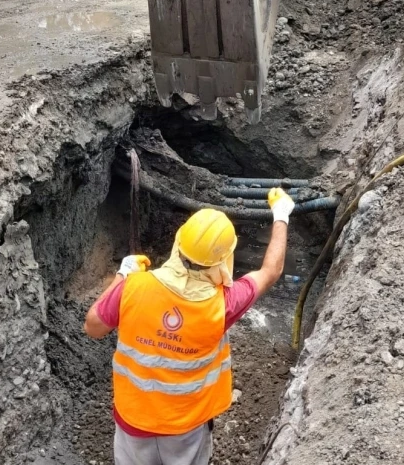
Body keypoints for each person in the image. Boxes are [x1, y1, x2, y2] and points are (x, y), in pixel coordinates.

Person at [83, 188, 296, 465]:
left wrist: (123, 274)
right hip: (185, 428)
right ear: (223, 259)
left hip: (132, 421)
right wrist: (281, 215)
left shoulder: (132, 288)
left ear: (179, 244)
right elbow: (271, 271)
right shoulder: (223, 304)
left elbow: (93, 327)